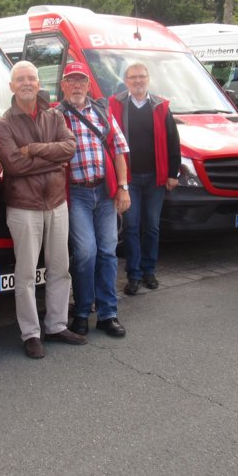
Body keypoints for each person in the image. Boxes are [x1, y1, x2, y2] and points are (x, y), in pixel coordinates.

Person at [0, 61, 83, 359]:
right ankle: (31, 333)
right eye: (20, 79)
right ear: (11, 86)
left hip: (57, 203)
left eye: (31, 78)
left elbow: (69, 148)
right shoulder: (3, 123)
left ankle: (56, 325)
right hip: (24, 207)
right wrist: (54, 158)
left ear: (38, 83)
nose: (27, 83)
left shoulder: (54, 114)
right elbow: (13, 166)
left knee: (60, 268)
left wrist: (33, 149)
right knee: (27, 274)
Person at [57, 62, 131, 337]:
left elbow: (120, 151)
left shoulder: (102, 111)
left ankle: (108, 313)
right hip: (76, 193)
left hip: (105, 191)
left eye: (81, 81)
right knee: (86, 253)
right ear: (63, 85)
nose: (76, 86)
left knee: (108, 251)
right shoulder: (56, 116)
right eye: (71, 81)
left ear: (88, 85)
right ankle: (82, 309)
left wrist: (123, 187)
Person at [108, 62, 181, 295]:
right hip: (128, 179)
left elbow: (173, 141)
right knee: (130, 226)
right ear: (126, 81)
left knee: (151, 226)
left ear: (148, 78)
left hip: (155, 178)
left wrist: (173, 173)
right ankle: (134, 274)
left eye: (141, 76)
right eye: (133, 77)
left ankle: (149, 271)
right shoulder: (116, 104)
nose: (137, 81)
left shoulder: (160, 106)